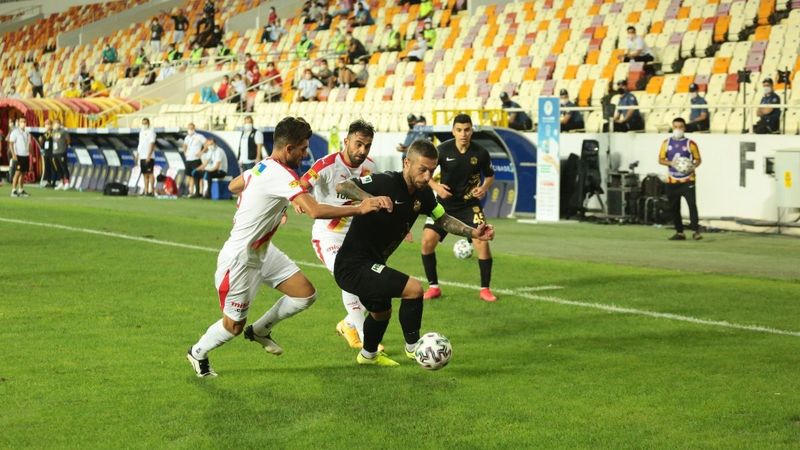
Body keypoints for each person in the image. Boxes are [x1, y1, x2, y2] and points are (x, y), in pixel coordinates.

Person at [186, 116, 391, 377]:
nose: (306, 155)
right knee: (232, 327)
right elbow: (314, 210)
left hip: (263, 251)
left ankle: (260, 330)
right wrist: (360, 208)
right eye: (303, 149)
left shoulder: (263, 167)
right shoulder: (280, 173)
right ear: (288, 149)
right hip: (239, 258)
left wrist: (272, 205)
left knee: (305, 294)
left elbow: (234, 185)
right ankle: (198, 352)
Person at [334, 139, 495, 366]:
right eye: (423, 170)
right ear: (406, 163)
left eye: (432, 171)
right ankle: (415, 348)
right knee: (414, 289)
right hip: (351, 265)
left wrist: (474, 232)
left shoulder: (425, 195)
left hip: (372, 263)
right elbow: (342, 187)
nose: (428, 177)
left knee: (382, 313)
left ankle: (368, 356)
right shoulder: (385, 181)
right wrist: (369, 199)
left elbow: (444, 219)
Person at [299, 120, 378, 349]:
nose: (362, 150)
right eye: (358, 144)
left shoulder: (372, 167)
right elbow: (302, 184)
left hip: (359, 237)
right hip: (328, 236)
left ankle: (348, 325)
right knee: (351, 280)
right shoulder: (326, 165)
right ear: (346, 141)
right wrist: (296, 203)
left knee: (373, 284)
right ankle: (367, 342)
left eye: (367, 146)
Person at [419, 114, 497, 302]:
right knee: (427, 242)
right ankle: (434, 287)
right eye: (459, 130)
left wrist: (484, 189)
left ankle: (485, 289)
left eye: (467, 130)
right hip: (443, 205)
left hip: (470, 205)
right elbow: (424, 172)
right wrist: (437, 187)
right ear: (453, 131)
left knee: (482, 242)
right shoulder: (442, 150)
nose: (463, 134)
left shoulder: (481, 153)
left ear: (472, 130)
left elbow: (489, 176)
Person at [658, 117, 702, 241]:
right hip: (672, 180)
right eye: (675, 127)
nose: (678, 129)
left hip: (688, 180)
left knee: (692, 205)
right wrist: (671, 163)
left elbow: (698, 159)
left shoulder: (690, 144)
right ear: (672, 128)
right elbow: (660, 159)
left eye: (680, 127)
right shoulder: (666, 143)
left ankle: (695, 231)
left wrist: (692, 166)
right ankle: (680, 232)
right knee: (674, 207)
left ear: (684, 128)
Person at [181, 122, 207, 197]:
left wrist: (201, 152)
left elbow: (206, 144)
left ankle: (199, 192)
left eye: (191, 128)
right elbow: (185, 145)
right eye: (189, 128)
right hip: (189, 159)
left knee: (197, 176)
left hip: (196, 159)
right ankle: (191, 192)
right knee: (190, 176)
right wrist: (185, 152)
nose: (190, 130)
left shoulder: (199, 136)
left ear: (194, 129)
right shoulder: (187, 137)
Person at [8, 117, 31, 197]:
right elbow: (11, 144)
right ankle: (13, 190)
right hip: (18, 155)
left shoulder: (27, 133)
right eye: (21, 121)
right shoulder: (15, 132)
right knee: (17, 173)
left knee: (23, 173)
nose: (23, 123)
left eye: (24, 121)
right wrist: (13, 154)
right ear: (18, 122)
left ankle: (21, 190)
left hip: (26, 155)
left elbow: (29, 144)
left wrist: (30, 155)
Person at [136, 118, 157, 196]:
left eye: (145, 123)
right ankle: (146, 191)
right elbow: (140, 143)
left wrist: (149, 155)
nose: (144, 125)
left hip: (149, 156)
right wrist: (138, 154)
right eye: (143, 123)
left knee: (150, 173)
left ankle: (152, 191)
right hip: (142, 156)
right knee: (145, 174)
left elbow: (152, 143)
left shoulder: (151, 132)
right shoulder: (141, 131)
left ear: (148, 123)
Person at [51, 119, 71, 190]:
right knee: (58, 168)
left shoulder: (63, 131)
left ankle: (67, 182)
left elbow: (68, 140)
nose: (56, 124)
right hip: (55, 152)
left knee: (64, 167)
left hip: (62, 152)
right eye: (54, 123)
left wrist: (65, 147)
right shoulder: (53, 132)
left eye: (57, 123)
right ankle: (61, 182)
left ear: (59, 124)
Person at [38, 120, 57, 188]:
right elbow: (42, 145)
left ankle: (54, 182)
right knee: (47, 168)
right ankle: (49, 182)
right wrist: (40, 141)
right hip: (46, 153)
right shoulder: (44, 134)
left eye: (48, 124)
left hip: (53, 153)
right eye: (46, 124)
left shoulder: (54, 133)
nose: (47, 125)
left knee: (54, 168)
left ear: (51, 125)